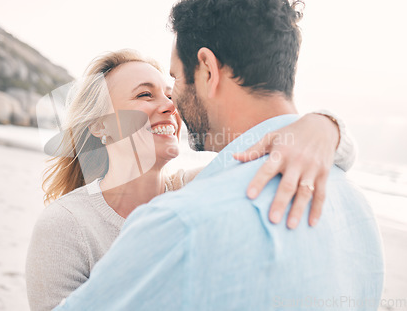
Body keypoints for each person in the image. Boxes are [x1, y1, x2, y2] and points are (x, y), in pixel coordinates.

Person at [53, 0, 384, 310]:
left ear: (208, 70)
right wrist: (327, 125)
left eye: (176, 79)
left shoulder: (181, 223)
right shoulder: (358, 210)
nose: (173, 102)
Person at [26, 48, 356, 310]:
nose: (170, 107)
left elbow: (331, 152)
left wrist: (324, 126)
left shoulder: (202, 187)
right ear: (100, 126)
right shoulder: (66, 225)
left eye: (170, 95)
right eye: (145, 95)